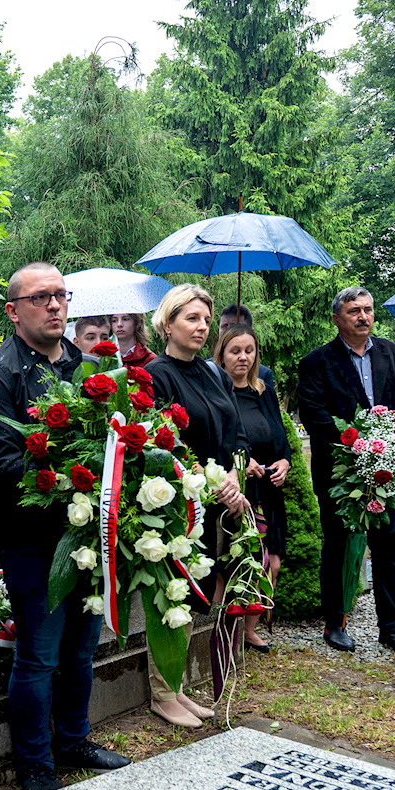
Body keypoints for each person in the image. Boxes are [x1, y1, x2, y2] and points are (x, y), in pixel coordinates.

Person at [0, 263, 131, 790]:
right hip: (31, 541)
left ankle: (74, 740)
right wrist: (73, 478)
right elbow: (0, 467)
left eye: (61, 295)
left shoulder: (89, 367)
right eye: (41, 297)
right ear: (13, 311)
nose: (55, 305)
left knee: (82, 648)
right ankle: (36, 763)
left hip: (88, 536)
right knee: (38, 655)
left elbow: (116, 439)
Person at [297, 286, 395, 658]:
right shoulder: (317, 361)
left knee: (387, 549)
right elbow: (314, 415)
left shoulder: (390, 352)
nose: (363, 316)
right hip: (339, 472)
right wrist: (358, 442)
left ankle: (391, 627)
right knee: (336, 547)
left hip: (383, 471)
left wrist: (390, 436)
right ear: (337, 318)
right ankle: (334, 623)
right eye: (354, 311)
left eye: (367, 309)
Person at [148, 285, 253, 715]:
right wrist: (208, 480)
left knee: (197, 594)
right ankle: (162, 694)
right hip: (177, 506)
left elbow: (236, 433)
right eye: (192, 318)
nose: (202, 326)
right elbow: (161, 445)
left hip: (216, 502)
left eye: (206, 320)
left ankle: (175, 685)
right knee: (173, 594)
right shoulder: (155, 375)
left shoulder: (213, 373)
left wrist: (233, 476)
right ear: (167, 323)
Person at [215, 322, 291, 652]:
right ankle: (222, 630)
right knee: (234, 563)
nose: (243, 357)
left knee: (270, 562)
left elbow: (281, 438)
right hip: (239, 490)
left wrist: (285, 462)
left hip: (270, 489)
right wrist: (242, 462)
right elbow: (219, 441)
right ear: (222, 355)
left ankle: (250, 629)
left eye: (249, 350)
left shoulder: (263, 390)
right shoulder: (218, 394)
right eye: (235, 351)